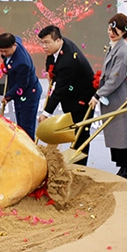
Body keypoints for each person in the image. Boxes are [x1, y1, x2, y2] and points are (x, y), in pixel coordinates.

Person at [37, 25, 96, 165]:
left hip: (83, 97)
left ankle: (80, 168)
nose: (44, 46)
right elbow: (50, 59)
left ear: (58, 41)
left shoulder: (68, 61)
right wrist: (50, 73)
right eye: (42, 43)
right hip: (70, 94)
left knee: (80, 132)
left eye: (47, 43)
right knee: (72, 128)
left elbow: (59, 91)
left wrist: (46, 113)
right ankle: (73, 161)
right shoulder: (58, 47)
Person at [90, 13, 127, 180]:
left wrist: (98, 94)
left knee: (123, 135)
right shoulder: (114, 47)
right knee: (117, 134)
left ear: (124, 32)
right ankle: (122, 167)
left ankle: (126, 169)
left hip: (121, 99)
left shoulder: (123, 52)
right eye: (110, 28)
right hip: (113, 99)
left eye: (116, 30)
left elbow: (115, 78)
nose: (111, 32)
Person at [0, 32, 43, 140]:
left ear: (14, 46)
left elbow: (22, 85)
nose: (3, 54)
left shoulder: (22, 63)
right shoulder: (16, 41)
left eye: (6, 51)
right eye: (1, 51)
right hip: (18, 92)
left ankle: (29, 151)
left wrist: (7, 96)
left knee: (26, 127)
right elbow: (18, 37)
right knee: (19, 123)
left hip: (28, 94)